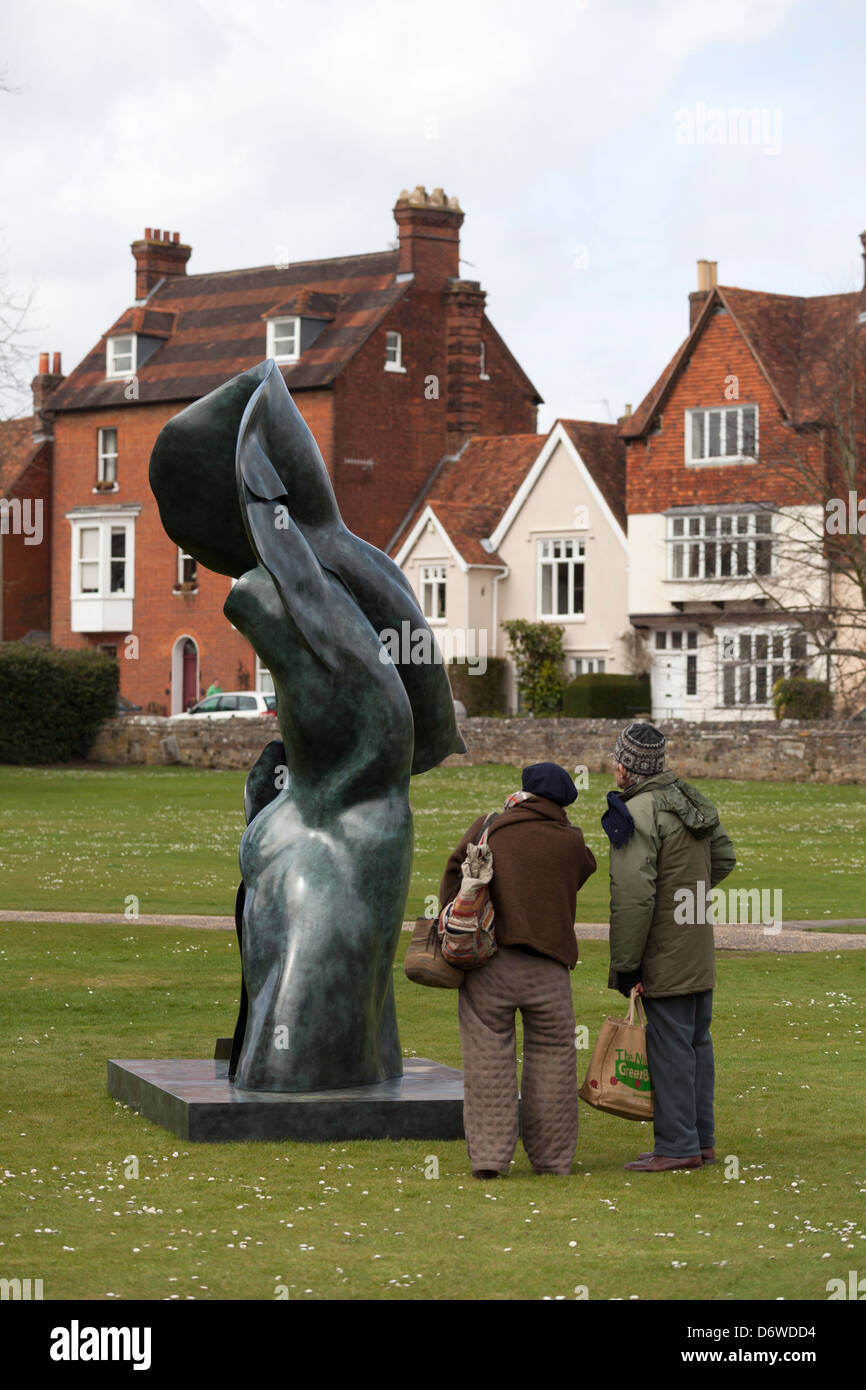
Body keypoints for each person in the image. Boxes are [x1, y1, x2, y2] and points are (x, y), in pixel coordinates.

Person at [439, 762, 597, 1179]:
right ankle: (552, 1160)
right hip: (549, 970)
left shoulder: (490, 826)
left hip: (490, 963)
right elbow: (586, 867)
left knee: (488, 1061)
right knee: (554, 1063)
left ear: (524, 791)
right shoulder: (570, 842)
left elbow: (455, 871)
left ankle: (490, 1160)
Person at [602, 722, 736, 1172]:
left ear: (626, 767)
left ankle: (678, 1147)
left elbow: (633, 897)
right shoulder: (688, 798)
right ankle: (700, 1142)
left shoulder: (637, 812)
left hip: (665, 952)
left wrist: (626, 967)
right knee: (696, 1043)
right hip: (696, 943)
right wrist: (687, 897)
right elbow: (724, 857)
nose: (612, 765)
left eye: (615, 758)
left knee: (670, 1049)